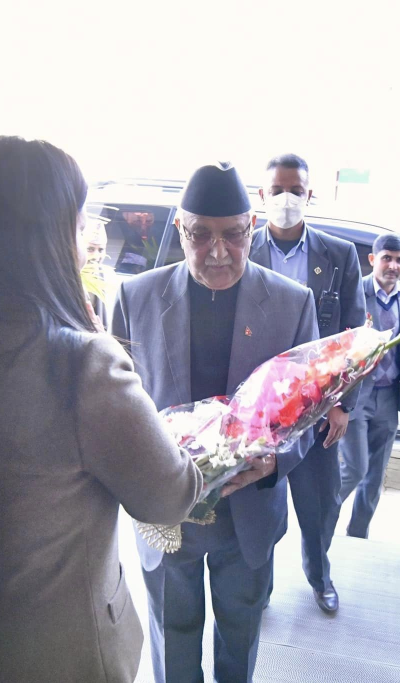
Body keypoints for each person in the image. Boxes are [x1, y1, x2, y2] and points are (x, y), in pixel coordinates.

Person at [0, 135, 203, 683]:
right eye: (80, 227)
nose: (87, 246)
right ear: (49, 239)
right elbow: (167, 496)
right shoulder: (80, 364)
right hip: (56, 653)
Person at [112, 161, 318, 683]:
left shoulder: (293, 303)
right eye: (200, 235)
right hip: (166, 510)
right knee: (172, 637)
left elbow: (308, 413)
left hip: (248, 510)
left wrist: (275, 461)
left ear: (252, 227)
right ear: (179, 228)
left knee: (240, 637)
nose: (218, 251)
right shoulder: (136, 297)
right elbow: (115, 406)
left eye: (233, 234)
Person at [249, 153, 366, 614]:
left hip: (318, 405)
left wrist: (342, 404)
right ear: (262, 195)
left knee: (319, 506)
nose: (286, 199)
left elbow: (354, 336)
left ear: (310, 195)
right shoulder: (244, 248)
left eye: (295, 191)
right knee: (260, 504)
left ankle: (320, 576)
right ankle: (259, 586)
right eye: (277, 190)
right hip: (259, 409)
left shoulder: (338, 255)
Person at [337, 234, 400, 538]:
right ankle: (320, 519)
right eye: (387, 258)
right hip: (356, 395)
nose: (393, 266)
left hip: (389, 396)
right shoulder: (354, 291)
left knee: (375, 476)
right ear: (373, 259)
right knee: (355, 468)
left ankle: (358, 533)